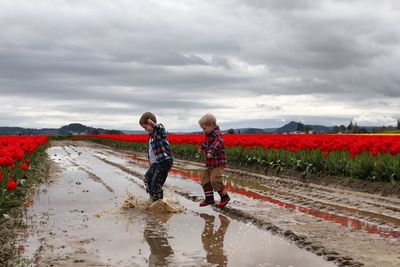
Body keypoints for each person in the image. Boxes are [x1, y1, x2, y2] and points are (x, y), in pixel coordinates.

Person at [198, 113, 230, 207]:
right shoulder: (208, 134)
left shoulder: (217, 134)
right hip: (210, 163)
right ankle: (209, 199)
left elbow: (218, 143)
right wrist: (202, 147)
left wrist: (211, 152)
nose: (203, 131)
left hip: (218, 163)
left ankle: (224, 197)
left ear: (212, 126)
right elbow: (206, 143)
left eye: (204, 128)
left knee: (215, 180)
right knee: (205, 180)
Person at [139, 112, 173, 202]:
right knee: (147, 178)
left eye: (145, 127)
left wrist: (154, 125)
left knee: (155, 183)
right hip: (155, 163)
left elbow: (161, 128)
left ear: (151, 124)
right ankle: (152, 197)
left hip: (164, 162)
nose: (145, 130)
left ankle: (159, 202)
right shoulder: (151, 136)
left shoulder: (159, 131)